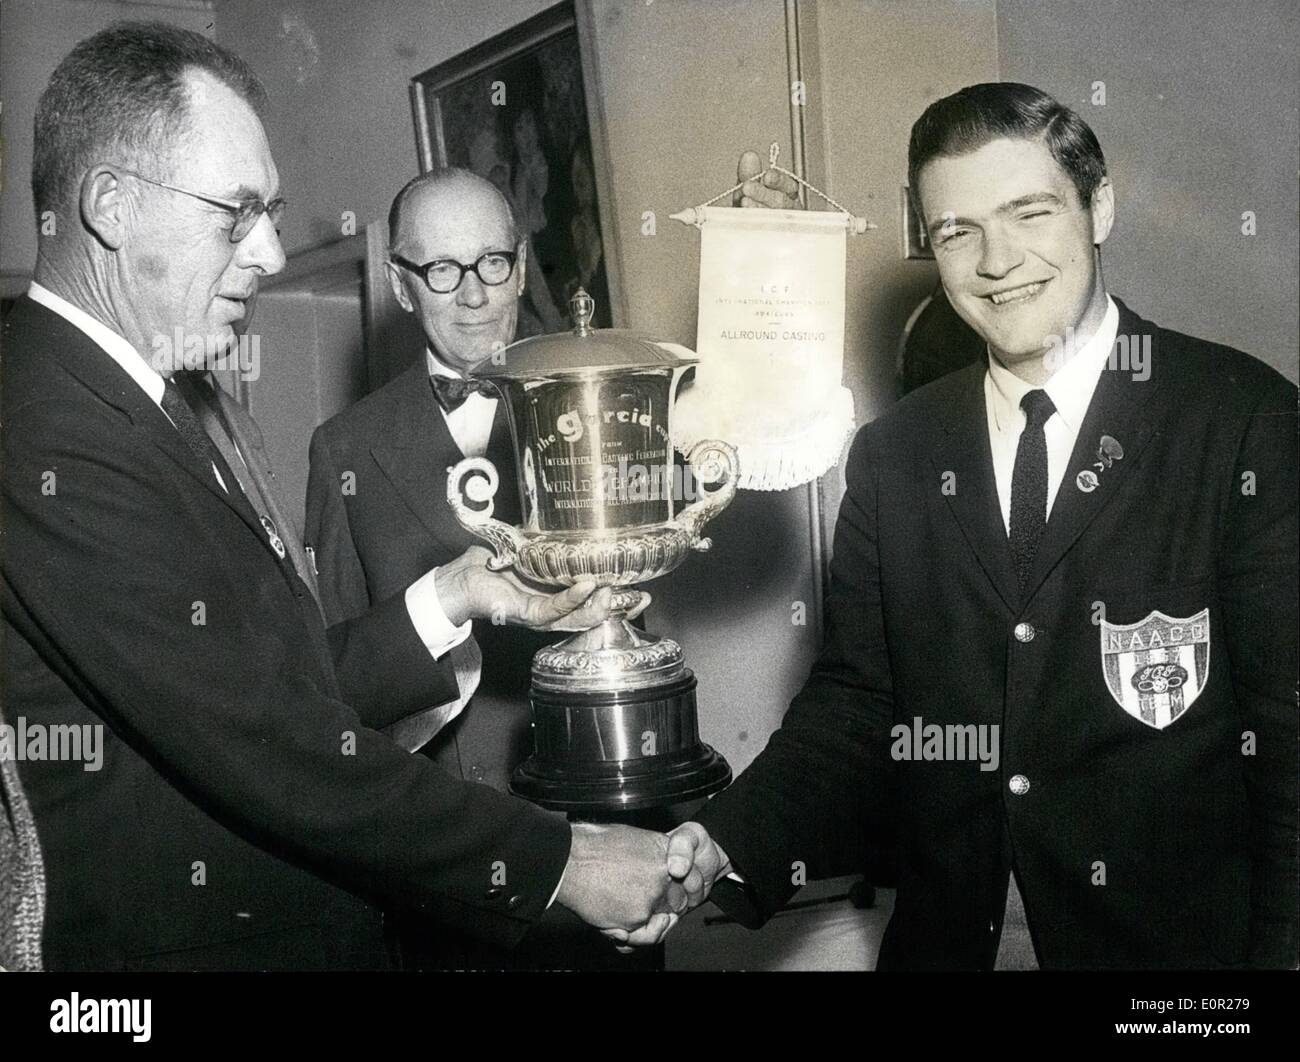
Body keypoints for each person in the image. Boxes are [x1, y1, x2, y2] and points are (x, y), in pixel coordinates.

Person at [0, 20, 684, 971]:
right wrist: (559, 861)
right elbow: (264, 741)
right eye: (236, 212)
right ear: (111, 205)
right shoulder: (36, 417)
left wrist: (455, 594)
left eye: (270, 213)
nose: (272, 254)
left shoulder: (147, 399)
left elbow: (273, 686)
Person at [669, 83, 1298, 970]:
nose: (997, 260)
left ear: (1100, 206)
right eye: (957, 231)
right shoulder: (895, 455)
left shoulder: (1239, 419)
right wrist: (726, 842)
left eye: (1029, 212)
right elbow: (858, 708)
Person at [306, 168, 636, 969]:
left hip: (597, 839)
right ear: (399, 284)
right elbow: (332, 685)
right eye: (442, 270)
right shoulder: (345, 448)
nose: (476, 295)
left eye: (492, 263)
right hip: (440, 880)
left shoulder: (602, 404)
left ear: (522, 265)